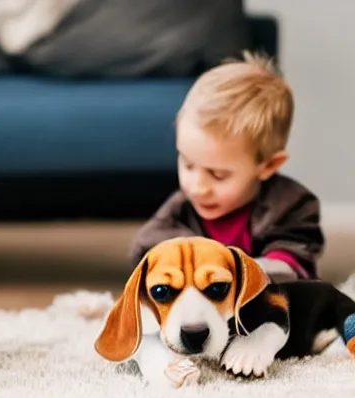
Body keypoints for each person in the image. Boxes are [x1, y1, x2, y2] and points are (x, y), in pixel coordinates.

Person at [129, 51, 324, 282]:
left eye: (218, 174)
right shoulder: (180, 211)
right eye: (188, 165)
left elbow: (291, 266)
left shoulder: (291, 205)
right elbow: (146, 250)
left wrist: (235, 275)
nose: (198, 187)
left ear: (268, 165)